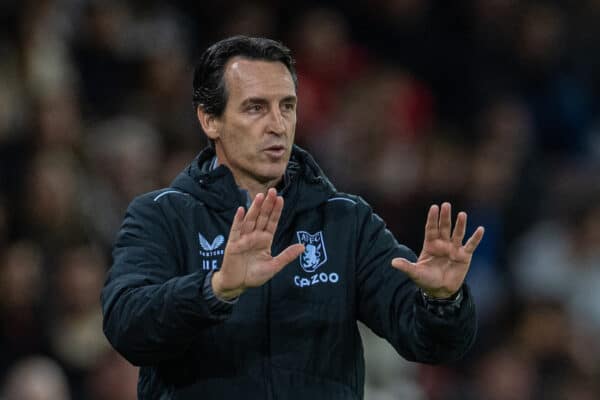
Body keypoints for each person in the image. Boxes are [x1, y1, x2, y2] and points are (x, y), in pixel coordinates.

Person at [101, 35, 484, 399]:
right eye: (255, 107)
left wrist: (442, 302)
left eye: (287, 106)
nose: (278, 125)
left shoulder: (344, 221)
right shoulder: (162, 214)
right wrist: (214, 290)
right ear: (209, 120)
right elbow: (127, 326)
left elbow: (428, 342)